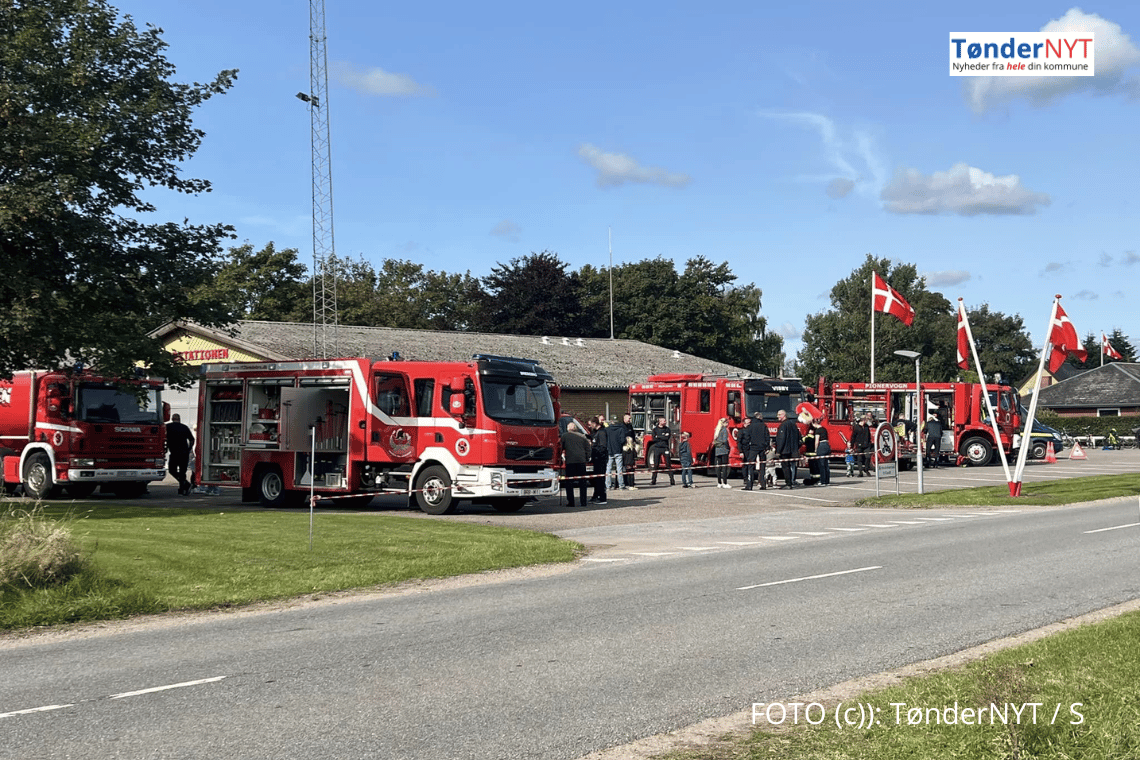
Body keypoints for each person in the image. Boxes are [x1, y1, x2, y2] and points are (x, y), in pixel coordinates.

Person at [560, 420, 591, 507]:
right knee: (582, 482)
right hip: (581, 461)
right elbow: (588, 448)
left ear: (568, 429)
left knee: (569, 482)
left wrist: (559, 458)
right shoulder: (583, 436)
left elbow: (561, 447)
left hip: (570, 461)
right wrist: (587, 457)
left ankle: (571, 502)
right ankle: (583, 502)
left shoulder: (564, 436)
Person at [166, 413, 195, 495]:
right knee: (182, 472)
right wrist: (189, 448)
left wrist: (165, 447)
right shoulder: (184, 427)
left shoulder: (168, 427)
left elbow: (163, 438)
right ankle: (184, 487)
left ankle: (184, 485)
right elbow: (192, 439)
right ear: (179, 419)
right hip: (184, 453)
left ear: (172, 419)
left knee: (172, 470)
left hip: (174, 452)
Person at [774, 409, 802, 489]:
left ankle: (788, 483)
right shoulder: (793, 424)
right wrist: (796, 447)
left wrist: (778, 451)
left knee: (785, 467)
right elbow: (799, 437)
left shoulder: (783, 425)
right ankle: (791, 481)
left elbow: (781, 439)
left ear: (783, 415)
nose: (777, 417)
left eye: (779, 415)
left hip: (785, 451)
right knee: (792, 466)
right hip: (793, 450)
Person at [587, 419, 608, 504]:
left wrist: (594, 448)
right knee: (596, 479)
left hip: (600, 459)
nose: (590, 426)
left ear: (595, 423)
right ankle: (595, 496)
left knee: (600, 479)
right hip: (596, 459)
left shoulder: (602, 432)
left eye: (590, 424)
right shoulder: (596, 432)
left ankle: (602, 498)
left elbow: (603, 446)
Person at [649, 417, 675, 486]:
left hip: (665, 448)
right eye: (664, 421)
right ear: (660, 422)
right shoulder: (655, 430)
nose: (665, 422)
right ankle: (653, 480)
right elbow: (654, 439)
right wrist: (662, 436)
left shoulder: (667, 429)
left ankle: (672, 480)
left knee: (668, 464)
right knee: (656, 465)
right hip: (657, 448)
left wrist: (659, 436)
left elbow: (667, 438)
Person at [749, 413, 770, 490]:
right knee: (762, 466)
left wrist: (748, 446)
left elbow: (748, 436)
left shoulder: (751, 426)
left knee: (751, 466)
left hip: (753, 447)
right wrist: (767, 447)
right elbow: (767, 437)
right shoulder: (764, 426)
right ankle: (763, 484)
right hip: (762, 447)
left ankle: (749, 485)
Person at [605, 416, 627, 489]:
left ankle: (608, 485)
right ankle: (621, 485)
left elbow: (605, 440)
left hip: (610, 451)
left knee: (608, 469)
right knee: (619, 469)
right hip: (618, 450)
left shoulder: (607, 429)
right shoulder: (621, 429)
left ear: (611, 421)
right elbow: (623, 440)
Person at [737, 416, 755, 490]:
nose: (749, 424)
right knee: (745, 465)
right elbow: (739, 442)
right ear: (744, 423)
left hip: (751, 449)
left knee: (751, 464)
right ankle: (745, 479)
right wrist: (741, 451)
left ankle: (750, 478)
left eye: (750, 423)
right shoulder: (741, 431)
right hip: (744, 449)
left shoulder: (752, 431)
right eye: (748, 423)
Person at [712, 417, 730, 488]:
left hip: (717, 450)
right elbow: (725, 440)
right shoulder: (724, 430)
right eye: (727, 422)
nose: (728, 424)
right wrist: (728, 448)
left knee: (718, 467)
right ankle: (725, 483)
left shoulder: (717, 430)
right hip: (723, 449)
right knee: (724, 467)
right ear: (724, 423)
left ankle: (719, 482)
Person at [813, 419, 832, 486]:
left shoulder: (818, 430)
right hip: (827, 445)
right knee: (826, 464)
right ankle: (827, 481)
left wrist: (815, 449)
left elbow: (817, 441)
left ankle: (822, 481)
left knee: (821, 465)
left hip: (821, 446)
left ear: (814, 423)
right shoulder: (824, 429)